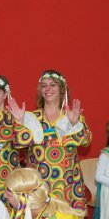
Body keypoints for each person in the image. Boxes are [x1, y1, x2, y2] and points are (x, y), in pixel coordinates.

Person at [29, 70, 91, 210]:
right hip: (39, 181)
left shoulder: (71, 115)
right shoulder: (32, 118)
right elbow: (18, 142)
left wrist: (74, 124)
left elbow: (86, 140)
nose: (48, 89)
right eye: (44, 86)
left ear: (62, 89)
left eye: (52, 85)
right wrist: (20, 121)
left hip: (67, 180)